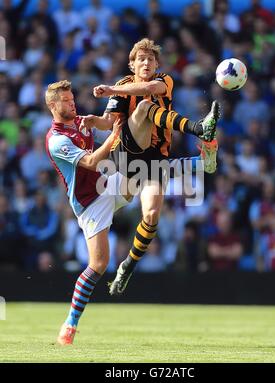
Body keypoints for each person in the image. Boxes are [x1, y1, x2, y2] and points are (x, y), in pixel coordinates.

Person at [45, 79, 210, 345]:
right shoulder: (56, 140)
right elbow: (88, 162)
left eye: (72, 97)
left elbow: (105, 127)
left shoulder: (79, 122)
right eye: (66, 100)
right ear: (53, 106)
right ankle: (70, 323)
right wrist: (113, 137)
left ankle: (201, 163)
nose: (72, 102)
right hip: (89, 203)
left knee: (145, 170)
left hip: (107, 182)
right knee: (98, 265)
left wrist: (108, 121)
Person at [82, 38, 220, 296]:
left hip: (154, 159)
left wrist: (110, 89)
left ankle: (127, 267)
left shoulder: (164, 80)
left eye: (151, 59)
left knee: (151, 215)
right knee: (145, 106)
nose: (146, 63)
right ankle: (199, 130)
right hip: (125, 153)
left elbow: (151, 86)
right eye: (141, 59)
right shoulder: (123, 85)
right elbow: (107, 121)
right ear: (131, 64)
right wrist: (94, 121)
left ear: (157, 64)